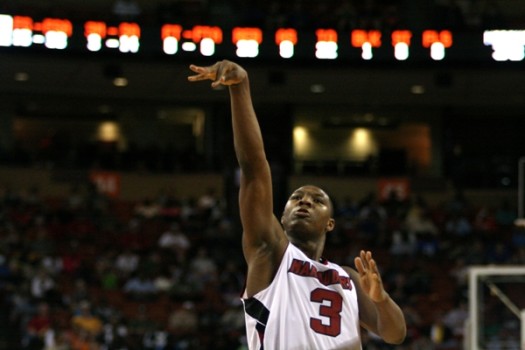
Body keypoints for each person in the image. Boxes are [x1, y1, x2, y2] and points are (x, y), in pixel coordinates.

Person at [188, 60, 406, 349]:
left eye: (317, 200)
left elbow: (395, 334)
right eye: (296, 198)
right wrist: (240, 89)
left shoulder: (348, 278)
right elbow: (253, 170)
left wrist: (380, 299)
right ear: (281, 216)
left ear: (330, 222)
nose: (304, 201)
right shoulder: (270, 252)